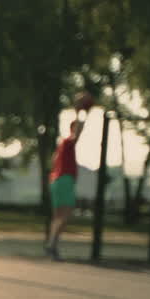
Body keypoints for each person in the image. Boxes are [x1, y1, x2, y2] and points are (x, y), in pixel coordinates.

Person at [45, 97, 91, 261]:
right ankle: (52, 245)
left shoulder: (62, 145)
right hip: (64, 180)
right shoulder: (69, 142)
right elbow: (78, 132)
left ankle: (52, 245)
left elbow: (52, 161)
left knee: (58, 217)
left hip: (56, 180)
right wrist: (80, 112)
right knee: (64, 215)